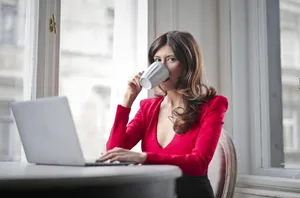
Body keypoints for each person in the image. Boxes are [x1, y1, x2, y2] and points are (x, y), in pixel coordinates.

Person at [97, 30, 228, 198]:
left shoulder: (213, 105)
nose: (161, 67)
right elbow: (114, 150)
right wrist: (127, 100)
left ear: (188, 65)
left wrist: (143, 157)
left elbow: (199, 164)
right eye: (157, 60)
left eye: (171, 59)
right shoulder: (148, 108)